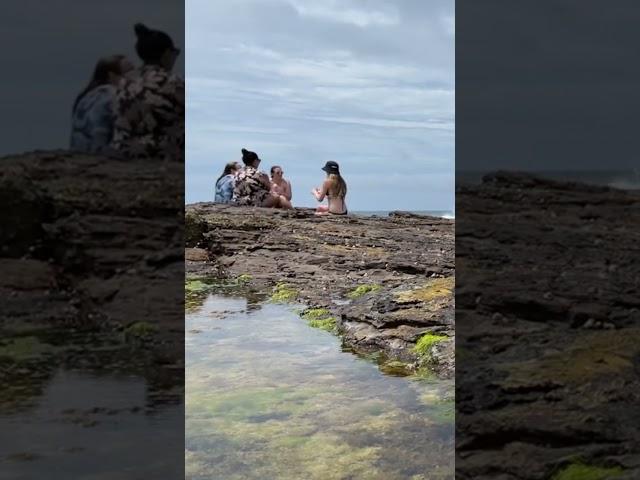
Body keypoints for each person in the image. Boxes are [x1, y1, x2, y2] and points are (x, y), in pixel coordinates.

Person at [112, 23, 184, 161]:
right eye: (175, 52)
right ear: (166, 54)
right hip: (158, 153)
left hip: (122, 151)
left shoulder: (124, 81)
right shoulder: (173, 83)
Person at [70, 55, 134, 153]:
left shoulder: (87, 96)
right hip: (100, 154)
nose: (135, 76)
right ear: (112, 75)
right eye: (129, 72)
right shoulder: (114, 95)